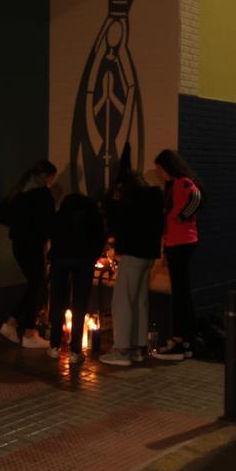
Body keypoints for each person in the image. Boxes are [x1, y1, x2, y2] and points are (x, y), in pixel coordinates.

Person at [99, 168, 165, 366]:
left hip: (132, 253)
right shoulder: (154, 198)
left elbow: (114, 219)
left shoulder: (131, 202)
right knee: (140, 301)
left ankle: (122, 351)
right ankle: (139, 347)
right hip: (148, 254)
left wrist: (111, 200)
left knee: (123, 301)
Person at [0, 160, 57, 349]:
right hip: (33, 244)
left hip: (19, 244)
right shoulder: (43, 194)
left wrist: (18, 226)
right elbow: (49, 223)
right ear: (47, 177)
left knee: (34, 284)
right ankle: (27, 331)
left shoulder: (20, 192)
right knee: (37, 285)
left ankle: (13, 323)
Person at [152, 149, 204, 361]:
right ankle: (184, 338)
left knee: (181, 292)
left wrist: (181, 216)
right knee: (181, 291)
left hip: (182, 243)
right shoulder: (174, 185)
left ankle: (182, 339)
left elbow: (197, 197)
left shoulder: (182, 182)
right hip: (177, 242)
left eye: (160, 169)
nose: (159, 173)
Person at [46, 192, 106, 365]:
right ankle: (76, 351)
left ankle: (54, 346)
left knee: (58, 302)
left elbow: (51, 234)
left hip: (61, 260)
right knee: (80, 304)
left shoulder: (60, 217)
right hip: (84, 261)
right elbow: (100, 239)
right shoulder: (93, 218)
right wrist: (93, 256)